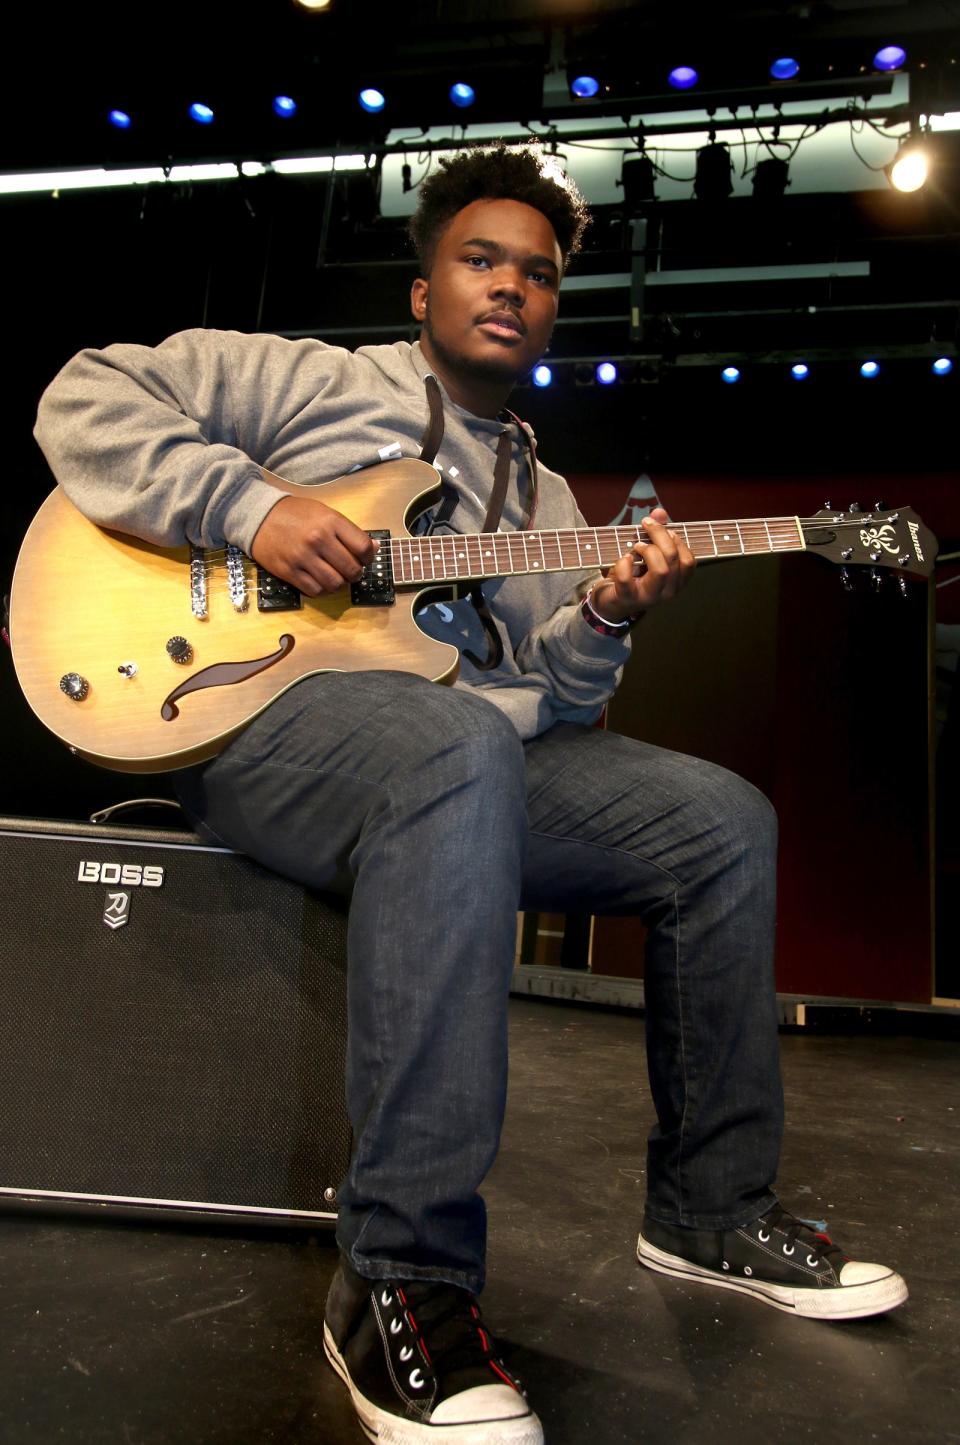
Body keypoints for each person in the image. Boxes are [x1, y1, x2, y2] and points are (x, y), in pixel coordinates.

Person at [34, 144, 907, 1445]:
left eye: (539, 273)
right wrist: (250, 505)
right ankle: (400, 1283)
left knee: (719, 822)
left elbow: (544, 705)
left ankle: (710, 1209)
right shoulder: (310, 378)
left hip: (463, 760)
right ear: (424, 287)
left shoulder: (550, 500)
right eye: (481, 259)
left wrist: (605, 616)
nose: (511, 286)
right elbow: (83, 392)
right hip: (264, 717)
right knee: (460, 753)